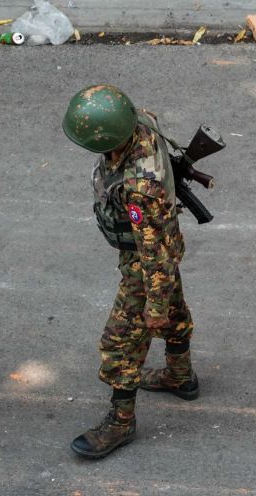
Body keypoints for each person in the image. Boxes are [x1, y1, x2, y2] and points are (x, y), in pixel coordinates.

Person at [62, 85, 199, 459]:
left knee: (120, 342)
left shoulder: (141, 189)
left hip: (147, 261)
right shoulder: (137, 121)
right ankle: (180, 375)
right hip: (160, 246)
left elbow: (154, 254)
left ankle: (121, 423)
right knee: (173, 307)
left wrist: (153, 305)